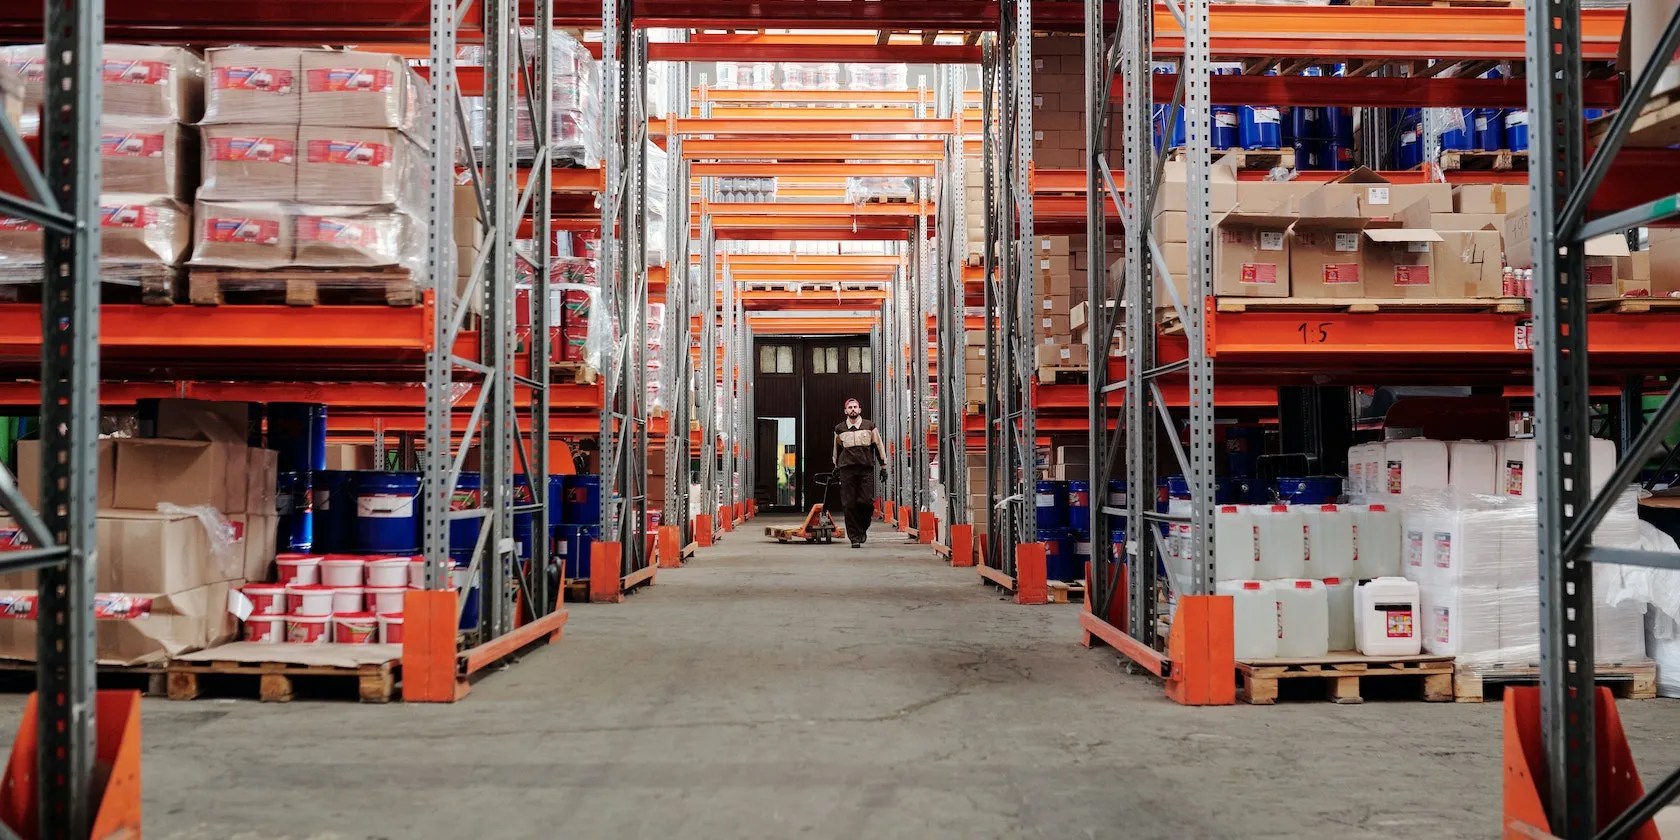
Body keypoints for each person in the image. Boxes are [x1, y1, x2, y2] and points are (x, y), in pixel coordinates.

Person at [831, 397, 889, 549]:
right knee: (849, 504)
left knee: (865, 502)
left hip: (865, 469)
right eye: (850, 407)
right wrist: (836, 466)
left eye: (855, 407)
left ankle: (862, 528)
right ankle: (854, 537)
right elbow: (836, 449)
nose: (853, 409)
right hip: (847, 470)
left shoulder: (869, 426)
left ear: (860, 409)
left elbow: (878, 445)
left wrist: (883, 466)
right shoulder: (839, 429)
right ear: (845, 411)